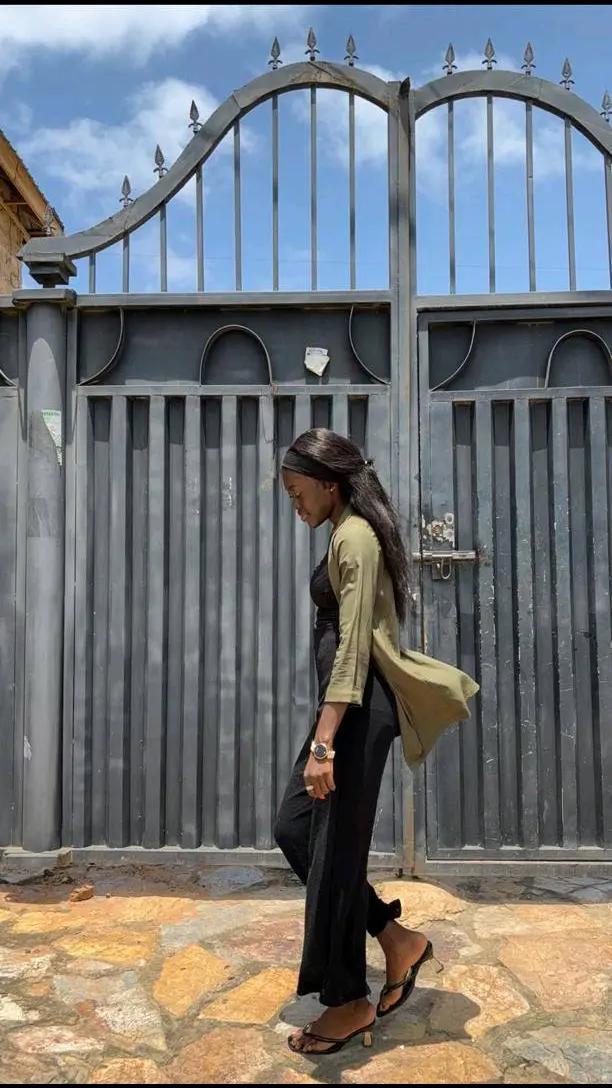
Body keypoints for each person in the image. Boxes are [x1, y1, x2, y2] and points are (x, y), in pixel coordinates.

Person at [274, 427, 479, 1056]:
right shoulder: (343, 531)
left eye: (297, 491)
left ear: (328, 484)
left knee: (333, 852)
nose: (294, 503)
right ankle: (397, 940)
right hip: (347, 712)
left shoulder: (356, 538)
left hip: (357, 714)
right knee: (297, 829)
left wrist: (324, 743)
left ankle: (349, 1002)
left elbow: (354, 647)